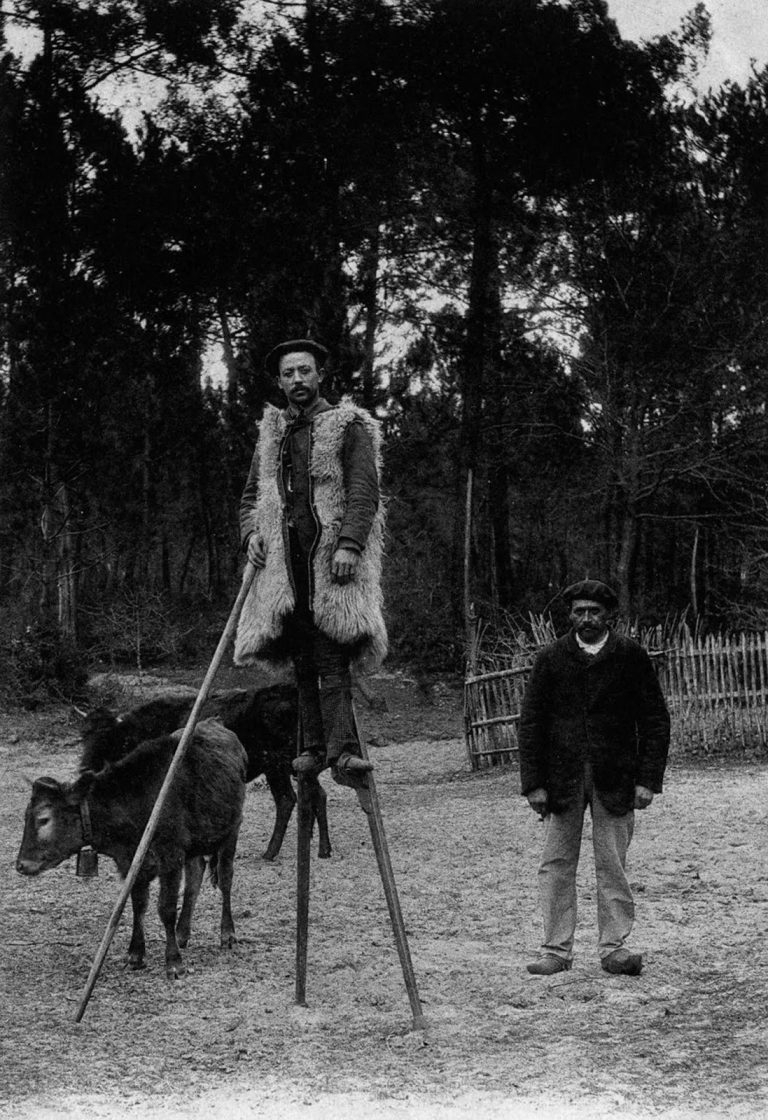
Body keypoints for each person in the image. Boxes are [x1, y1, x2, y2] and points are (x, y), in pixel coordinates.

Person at [234, 338, 387, 782]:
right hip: (286, 570)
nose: (297, 380)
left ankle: (343, 753)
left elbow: (364, 492)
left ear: (319, 374)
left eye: (305, 371)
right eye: (288, 374)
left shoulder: (347, 426)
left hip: (331, 565)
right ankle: (311, 748)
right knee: (302, 660)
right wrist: (250, 536)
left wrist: (349, 544)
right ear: (279, 382)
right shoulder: (272, 435)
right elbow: (250, 499)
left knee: (332, 654)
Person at [518, 579, 670, 977]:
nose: (586, 619)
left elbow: (655, 720)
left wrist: (648, 780)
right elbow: (531, 723)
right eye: (579, 612)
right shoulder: (551, 658)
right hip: (561, 780)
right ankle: (555, 949)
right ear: (570, 615)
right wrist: (533, 783)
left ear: (609, 615)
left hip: (616, 778)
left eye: (594, 612)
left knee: (612, 863)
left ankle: (614, 948)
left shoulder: (631, 657)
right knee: (555, 863)